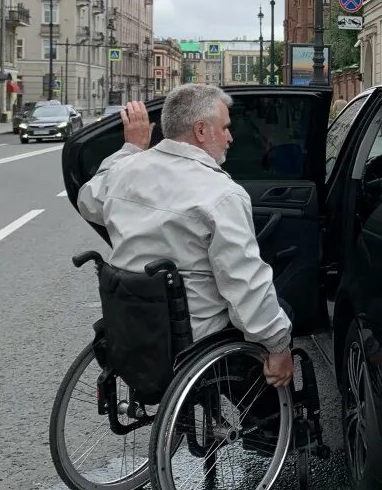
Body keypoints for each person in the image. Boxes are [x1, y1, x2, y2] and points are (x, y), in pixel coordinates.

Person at [76, 84, 294, 387]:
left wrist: (130, 150)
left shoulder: (126, 170)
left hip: (134, 324)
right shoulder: (221, 193)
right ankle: (268, 425)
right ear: (202, 130)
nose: (231, 137)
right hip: (194, 337)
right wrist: (279, 346)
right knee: (278, 314)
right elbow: (244, 283)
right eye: (226, 127)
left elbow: (88, 201)